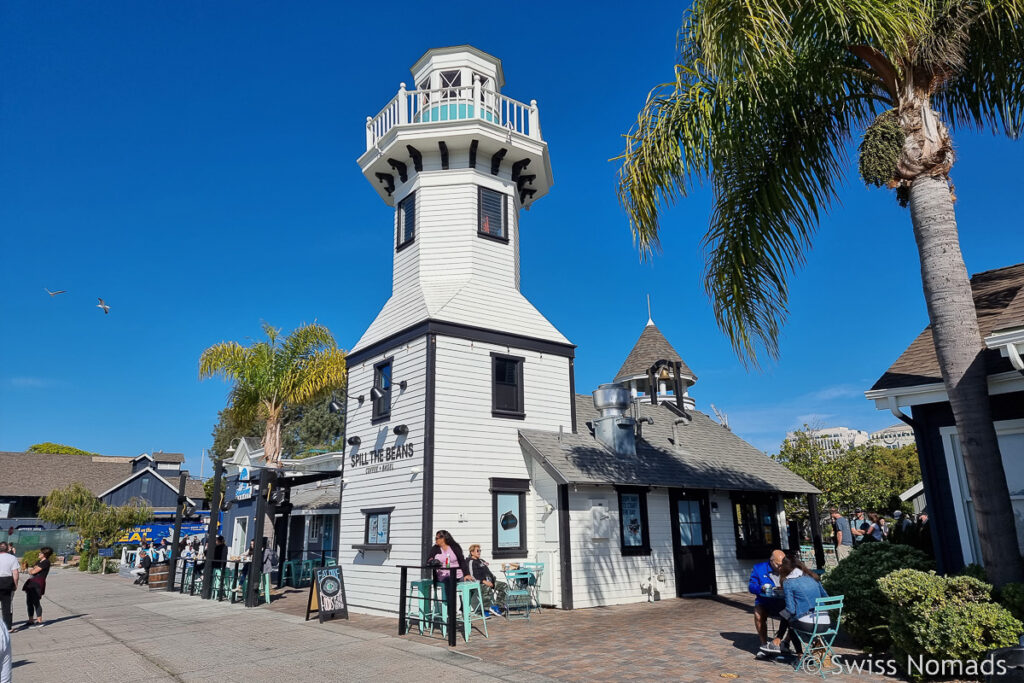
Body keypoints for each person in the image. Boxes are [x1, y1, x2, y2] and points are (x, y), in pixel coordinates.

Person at [779, 554, 830, 639]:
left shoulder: (788, 582)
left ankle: (779, 641)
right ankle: (785, 643)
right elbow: (826, 597)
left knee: (787, 617)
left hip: (810, 624)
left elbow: (790, 610)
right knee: (789, 617)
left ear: (784, 568)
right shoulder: (813, 577)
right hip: (826, 622)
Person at [748, 549, 788, 656]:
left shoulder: (787, 567)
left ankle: (785, 643)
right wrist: (761, 588)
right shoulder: (759, 568)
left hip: (785, 602)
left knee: (796, 611)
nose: (781, 567)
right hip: (766, 602)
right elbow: (751, 587)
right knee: (758, 612)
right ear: (771, 561)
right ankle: (764, 645)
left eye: (782, 564)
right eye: (778, 565)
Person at [468, 544, 504, 618]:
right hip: (479, 583)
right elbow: (472, 576)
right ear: (472, 552)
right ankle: (485, 610)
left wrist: (493, 579)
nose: (479, 552)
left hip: (489, 581)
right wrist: (484, 581)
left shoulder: (481, 560)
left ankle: (496, 606)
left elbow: (487, 571)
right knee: (486, 587)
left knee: (504, 586)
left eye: (480, 550)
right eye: (477, 551)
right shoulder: (471, 562)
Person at [22, 547, 52, 629]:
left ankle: (39, 621)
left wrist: (32, 570)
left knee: (36, 601)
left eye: (40, 553)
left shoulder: (46, 562)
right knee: (29, 601)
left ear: (45, 554)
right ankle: (30, 620)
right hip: (32, 582)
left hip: (38, 583)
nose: (39, 554)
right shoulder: (39, 561)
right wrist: (32, 570)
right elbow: (32, 569)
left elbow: (33, 571)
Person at [0, 543, 19, 630]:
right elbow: (15, 573)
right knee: (6, 606)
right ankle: (7, 627)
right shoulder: (12, 558)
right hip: (7, 582)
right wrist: (15, 584)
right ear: (8, 549)